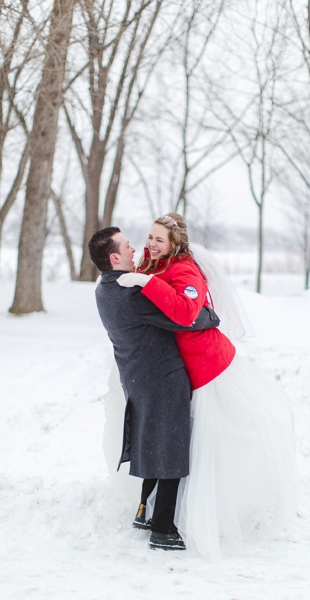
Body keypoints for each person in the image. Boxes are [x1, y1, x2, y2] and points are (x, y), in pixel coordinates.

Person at [115, 213, 297, 560]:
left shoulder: (186, 271)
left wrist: (145, 282)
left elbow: (185, 313)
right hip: (175, 371)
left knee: (212, 442)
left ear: (175, 245)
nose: (151, 244)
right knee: (171, 440)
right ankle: (150, 508)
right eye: (150, 237)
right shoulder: (152, 264)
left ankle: (218, 505)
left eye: (159, 240)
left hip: (209, 367)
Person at [88, 226, 221, 551]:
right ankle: (163, 528)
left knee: (153, 443)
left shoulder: (104, 289)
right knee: (172, 450)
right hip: (163, 378)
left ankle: (144, 510)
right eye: (127, 246)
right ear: (114, 257)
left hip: (138, 378)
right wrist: (210, 317)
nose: (136, 249)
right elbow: (184, 319)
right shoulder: (131, 295)